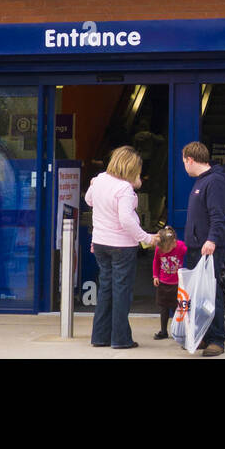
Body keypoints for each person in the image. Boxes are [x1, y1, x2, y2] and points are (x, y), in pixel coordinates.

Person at [84, 144, 158, 350]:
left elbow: (88, 200)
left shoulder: (99, 180)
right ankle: (121, 339)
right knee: (122, 292)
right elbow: (126, 220)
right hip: (122, 245)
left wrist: (93, 184)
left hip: (100, 243)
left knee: (105, 289)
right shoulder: (124, 189)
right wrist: (146, 238)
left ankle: (99, 336)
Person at [182, 140, 225, 357]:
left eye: (184, 161)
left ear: (190, 159)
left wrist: (211, 240)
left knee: (211, 294)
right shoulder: (202, 181)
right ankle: (203, 335)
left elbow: (218, 216)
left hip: (207, 249)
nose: (184, 166)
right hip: (196, 248)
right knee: (198, 296)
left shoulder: (214, 181)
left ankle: (217, 340)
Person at [150, 225, 187, 340]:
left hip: (177, 284)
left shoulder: (181, 247)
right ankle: (163, 330)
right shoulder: (159, 248)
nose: (165, 252)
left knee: (178, 308)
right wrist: (155, 275)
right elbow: (156, 261)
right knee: (163, 307)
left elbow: (190, 257)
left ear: (174, 242)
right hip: (163, 283)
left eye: (169, 249)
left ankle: (180, 330)